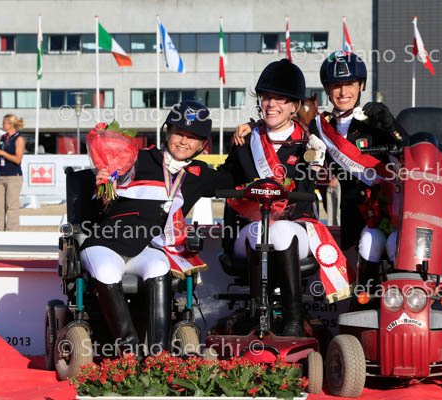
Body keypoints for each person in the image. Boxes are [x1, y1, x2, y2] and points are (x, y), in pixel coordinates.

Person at [233, 51, 407, 294]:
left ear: (361, 86)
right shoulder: (319, 127)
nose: (343, 92)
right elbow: (282, 124)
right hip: (355, 217)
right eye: (336, 86)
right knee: (366, 259)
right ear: (327, 89)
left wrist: (392, 127)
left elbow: (410, 153)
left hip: (393, 210)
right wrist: (253, 125)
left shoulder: (375, 120)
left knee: (393, 249)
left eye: (350, 84)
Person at [80, 101, 231, 355]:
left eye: (193, 137)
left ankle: (158, 355)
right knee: (106, 270)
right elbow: (100, 204)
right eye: (179, 133)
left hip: (147, 249)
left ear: (202, 145)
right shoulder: (136, 158)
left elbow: (235, 179)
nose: (184, 141)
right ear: (167, 132)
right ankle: (128, 352)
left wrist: (245, 136)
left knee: (159, 266)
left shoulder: (200, 174)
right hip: (107, 243)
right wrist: (104, 185)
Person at [218, 59, 337, 337]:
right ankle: (257, 315)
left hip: (297, 229)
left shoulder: (310, 144)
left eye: (280, 99)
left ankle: (294, 319)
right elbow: (222, 179)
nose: (271, 104)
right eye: (266, 97)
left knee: (280, 229)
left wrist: (316, 164)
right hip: (251, 231)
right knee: (262, 230)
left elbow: (310, 190)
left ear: (294, 106)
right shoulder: (246, 141)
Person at [0, 114, 26, 231]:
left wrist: (3, 153)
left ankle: (11, 233)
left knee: (11, 206)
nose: (2, 124)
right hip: (0, 177)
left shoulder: (19, 139)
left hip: (13, 177)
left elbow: (18, 159)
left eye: (4, 122)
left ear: (11, 124)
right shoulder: (2, 138)